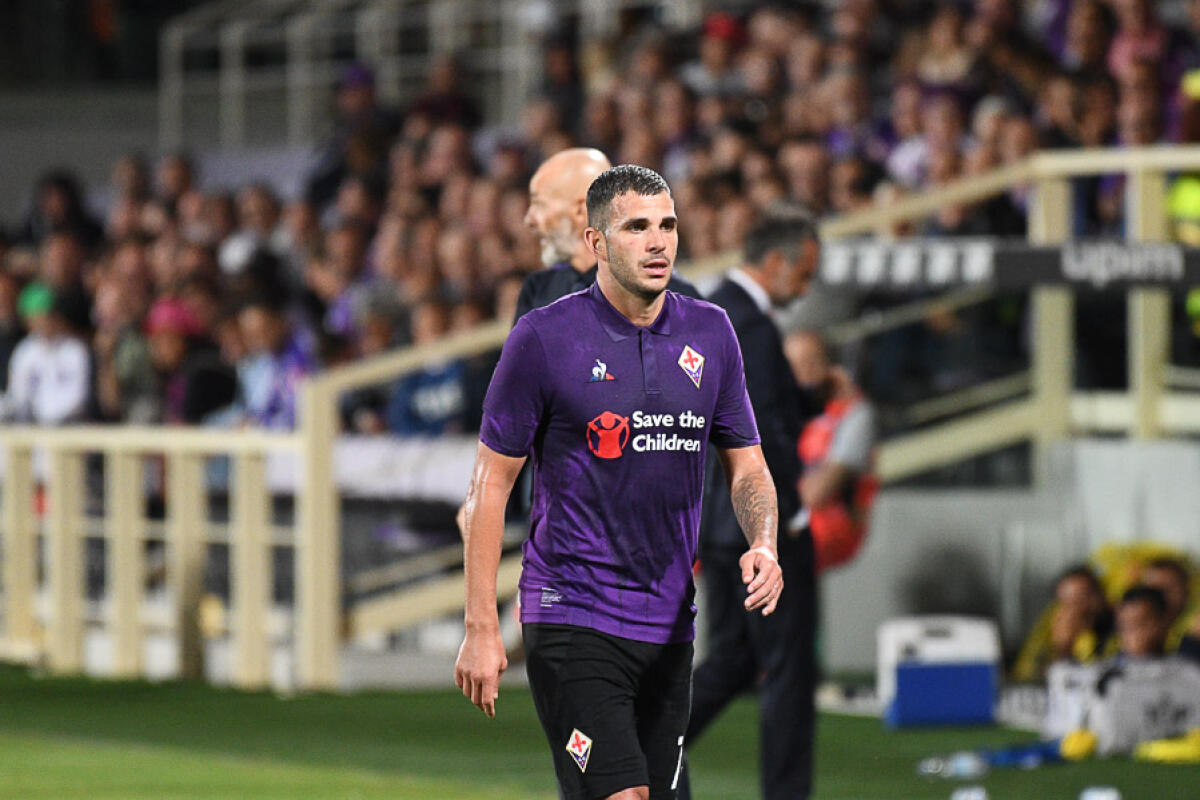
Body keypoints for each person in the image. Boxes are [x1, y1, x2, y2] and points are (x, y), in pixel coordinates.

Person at [455, 165, 783, 800]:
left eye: (668, 225)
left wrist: (763, 541)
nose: (658, 241)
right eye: (637, 227)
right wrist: (481, 626)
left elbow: (748, 465)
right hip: (572, 611)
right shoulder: (544, 338)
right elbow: (490, 486)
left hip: (668, 624)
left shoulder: (711, 333)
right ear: (596, 242)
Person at [681, 209, 821, 800]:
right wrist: (790, 508)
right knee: (787, 667)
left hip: (713, 523)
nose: (806, 287)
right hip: (760, 523)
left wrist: (811, 396)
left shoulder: (704, 315)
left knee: (734, 659)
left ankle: (642, 742)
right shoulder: (756, 331)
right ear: (776, 262)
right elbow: (760, 432)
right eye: (805, 273)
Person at [515, 148, 700, 322]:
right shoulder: (539, 289)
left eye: (539, 205)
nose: (529, 220)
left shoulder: (673, 297)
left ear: (581, 211)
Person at [786, 329, 879, 574]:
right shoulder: (778, 413)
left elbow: (817, 492)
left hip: (829, 535)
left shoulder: (853, 413)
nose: (802, 373)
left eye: (811, 362)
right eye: (793, 365)